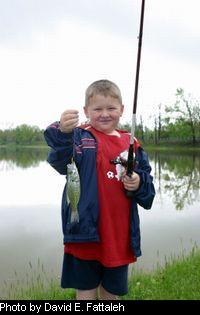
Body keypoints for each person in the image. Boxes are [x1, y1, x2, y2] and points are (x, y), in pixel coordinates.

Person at [44, 79, 155, 300]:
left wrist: (139, 183)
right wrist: (62, 131)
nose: (105, 114)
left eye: (111, 108)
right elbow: (58, 159)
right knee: (85, 292)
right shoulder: (79, 138)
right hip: (84, 234)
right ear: (86, 111)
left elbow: (148, 193)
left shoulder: (132, 144)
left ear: (122, 110)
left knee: (111, 295)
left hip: (119, 236)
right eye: (98, 109)